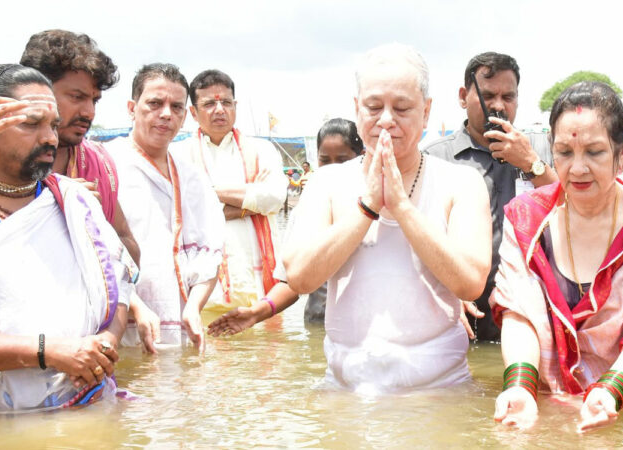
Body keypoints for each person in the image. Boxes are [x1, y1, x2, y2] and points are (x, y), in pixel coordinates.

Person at [0, 64, 135, 412]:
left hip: (91, 408)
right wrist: (47, 351)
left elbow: (119, 287)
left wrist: (106, 343)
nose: (50, 138)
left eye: (53, 125)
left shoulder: (74, 200)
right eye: (31, 124)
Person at [284, 44, 492, 394]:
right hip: (346, 389)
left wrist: (403, 208)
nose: (386, 120)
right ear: (356, 109)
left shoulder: (461, 182)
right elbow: (300, 277)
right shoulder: (327, 183)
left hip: (440, 389)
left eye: (402, 108)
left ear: (426, 112)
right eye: (373, 107)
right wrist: (368, 207)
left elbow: (471, 283)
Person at [491, 82, 623, 432]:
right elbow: (518, 314)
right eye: (564, 152)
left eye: (594, 152)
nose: (577, 168)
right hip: (543, 400)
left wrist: (609, 391)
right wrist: (520, 387)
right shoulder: (527, 218)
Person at [20, 30, 159, 352]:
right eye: (76, 97)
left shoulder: (97, 164)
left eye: (94, 100)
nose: (89, 112)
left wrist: (90, 222)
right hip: (14, 350)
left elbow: (128, 249)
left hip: (91, 349)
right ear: (36, 91)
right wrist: (52, 203)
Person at [424, 52, 557, 341]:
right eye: (488, 95)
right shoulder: (434, 158)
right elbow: (417, 238)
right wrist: (445, 290)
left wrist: (531, 164)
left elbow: (573, 209)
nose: (498, 105)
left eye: (508, 97)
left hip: (532, 313)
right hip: (457, 312)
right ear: (463, 97)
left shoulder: (543, 149)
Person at [207, 118, 364, 336]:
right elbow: (291, 281)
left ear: (361, 157)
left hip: (365, 326)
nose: (332, 168)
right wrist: (256, 313)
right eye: (325, 160)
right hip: (320, 325)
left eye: (342, 160)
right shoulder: (308, 209)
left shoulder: (375, 204)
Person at [105, 63, 224, 351]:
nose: (166, 114)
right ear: (132, 108)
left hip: (180, 324)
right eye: (155, 103)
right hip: (116, 324)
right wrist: (135, 306)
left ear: (185, 116)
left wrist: (194, 307)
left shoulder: (193, 178)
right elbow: (95, 252)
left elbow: (212, 252)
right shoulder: (106, 164)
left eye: (176, 107)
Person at [176, 69, 287, 319]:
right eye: (209, 104)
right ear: (192, 112)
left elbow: (275, 197)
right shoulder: (178, 155)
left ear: (235, 106)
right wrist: (252, 203)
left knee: (268, 344)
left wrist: (209, 191)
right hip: (201, 296)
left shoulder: (262, 150)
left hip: (260, 293)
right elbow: (183, 211)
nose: (219, 110)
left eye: (226, 102)